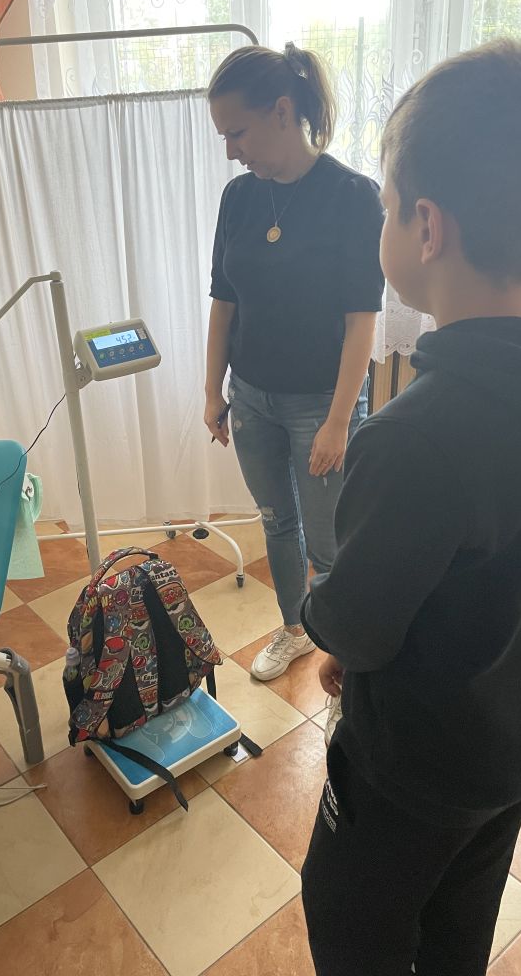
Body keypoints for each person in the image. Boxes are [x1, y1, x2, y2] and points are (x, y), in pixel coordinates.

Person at [300, 39, 521, 975]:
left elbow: (356, 627)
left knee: (353, 917)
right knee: (461, 917)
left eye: (386, 207)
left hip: (413, 774)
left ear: (426, 227)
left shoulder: (415, 437)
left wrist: (327, 622)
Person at [205, 43, 384, 681]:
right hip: (251, 396)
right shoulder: (239, 198)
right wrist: (212, 390)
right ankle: (294, 629)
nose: (232, 150)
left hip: (321, 404)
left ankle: (343, 665)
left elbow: (362, 319)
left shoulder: (353, 196)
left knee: (331, 542)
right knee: (276, 521)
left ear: (282, 111)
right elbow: (223, 301)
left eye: (238, 132)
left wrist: (338, 421)